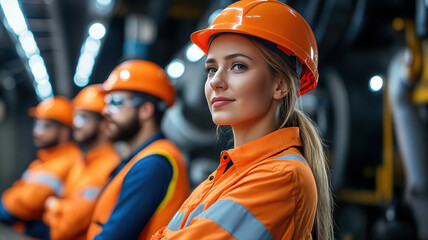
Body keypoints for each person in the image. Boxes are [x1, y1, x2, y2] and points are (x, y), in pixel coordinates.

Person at [151, 0, 333, 239]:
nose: (215, 81)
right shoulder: (230, 172)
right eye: (212, 69)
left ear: (281, 85)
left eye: (238, 66)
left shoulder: (280, 176)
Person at [87, 60, 190, 240]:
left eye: (115, 102)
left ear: (145, 110)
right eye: (106, 102)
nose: (105, 111)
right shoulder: (140, 159)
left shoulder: (153, 164)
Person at [43, 84, 120, 240]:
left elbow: (64, 229)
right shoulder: (81, 161)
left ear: (104, 122)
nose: (76, 124)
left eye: (83, 117)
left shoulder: (111, 167)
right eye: (75, 117)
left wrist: (53, 205)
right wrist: (59, 210)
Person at [0, 96, 82, 238]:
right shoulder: (46, 159)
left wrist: (5, 204)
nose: (37, 131)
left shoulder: (66, 161)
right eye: (37, 124)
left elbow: (26, 204)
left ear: (64, 131)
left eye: (46, 126)